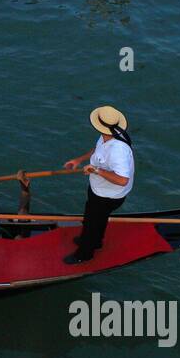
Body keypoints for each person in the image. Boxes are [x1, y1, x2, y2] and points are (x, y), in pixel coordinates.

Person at [61, 105, 135, 264]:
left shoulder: (117, 150)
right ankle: (96, 241)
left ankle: (84, 254)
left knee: (92, 223)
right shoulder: (109, 134)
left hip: (108, 196)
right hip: (99, 190)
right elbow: (97, 149)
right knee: (95, 218)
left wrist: (96, 170)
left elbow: (123, 180)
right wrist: (79, 160)